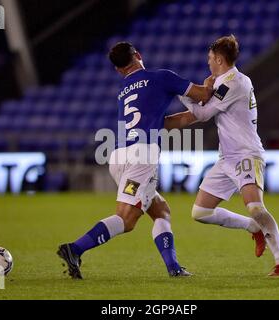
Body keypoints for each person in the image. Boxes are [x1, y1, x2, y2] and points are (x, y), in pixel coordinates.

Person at [57, 41, 214, 279]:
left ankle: (174, 268)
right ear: (138, 55)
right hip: (141, 157)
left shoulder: (125, 89)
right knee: (126, 219)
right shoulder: (161, 78)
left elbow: (166, 123)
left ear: (119, 70)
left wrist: (195, 116)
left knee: (161, 211)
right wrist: (211, 83)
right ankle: (75, 248)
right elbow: (204, 95)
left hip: (119, 155)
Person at [164, 35, 279, 276]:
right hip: (227, 158)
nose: (208, 63)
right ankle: (253, 228)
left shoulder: (234, 82)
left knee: (255, 206)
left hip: (246, 153)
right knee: (200, 213)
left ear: (220, 59)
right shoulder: (224, 82)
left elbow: (202, 115)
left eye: (210, 59)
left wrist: (181, 91)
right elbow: (198, 113)